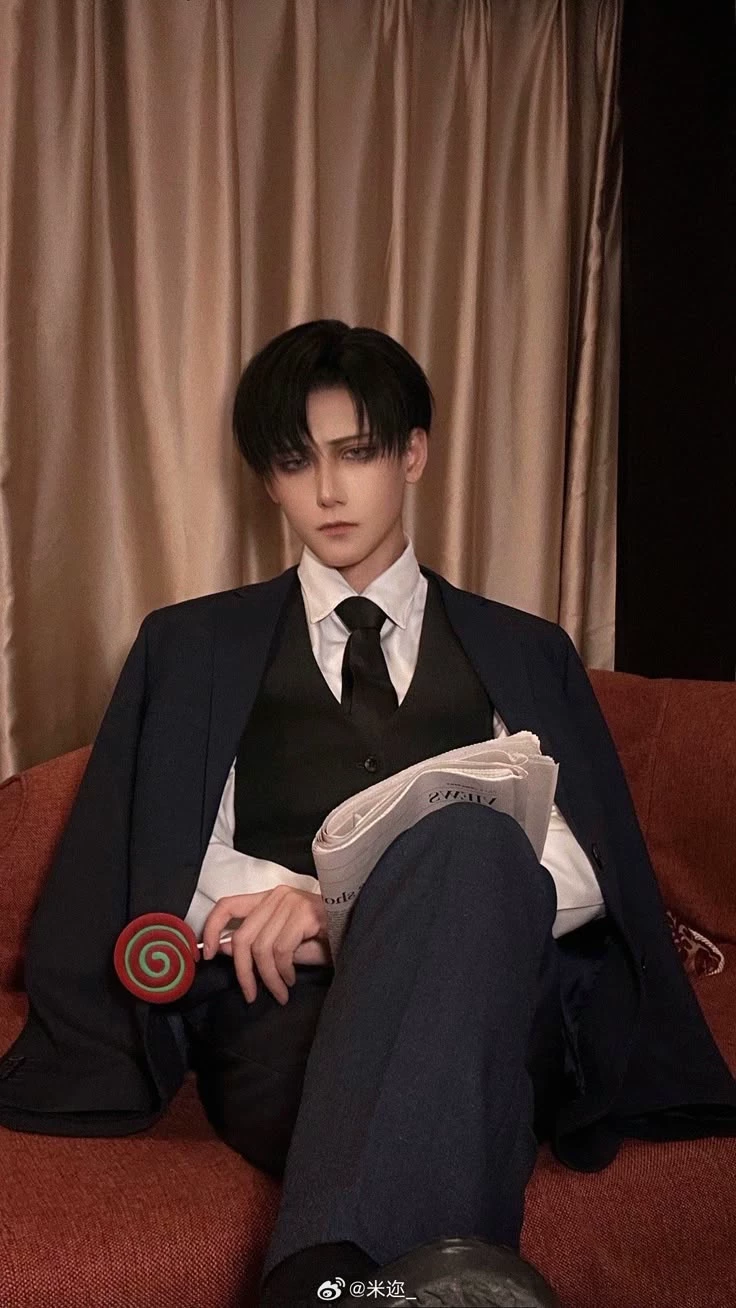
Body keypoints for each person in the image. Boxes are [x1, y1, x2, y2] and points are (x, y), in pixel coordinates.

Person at [1, 321, 735, 1308]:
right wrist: (302, 910)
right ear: (269, 481)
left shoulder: (524, 650)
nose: (328, 491)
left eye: (356, 453)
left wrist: (336, 911)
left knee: (476, 841)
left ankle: (320, 1280)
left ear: (413, 455)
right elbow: (166, 855)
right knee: (447, 1077)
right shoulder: (192, 647)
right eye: (295, 462)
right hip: (278, 1021)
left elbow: (584, 864)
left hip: (490, 1002)